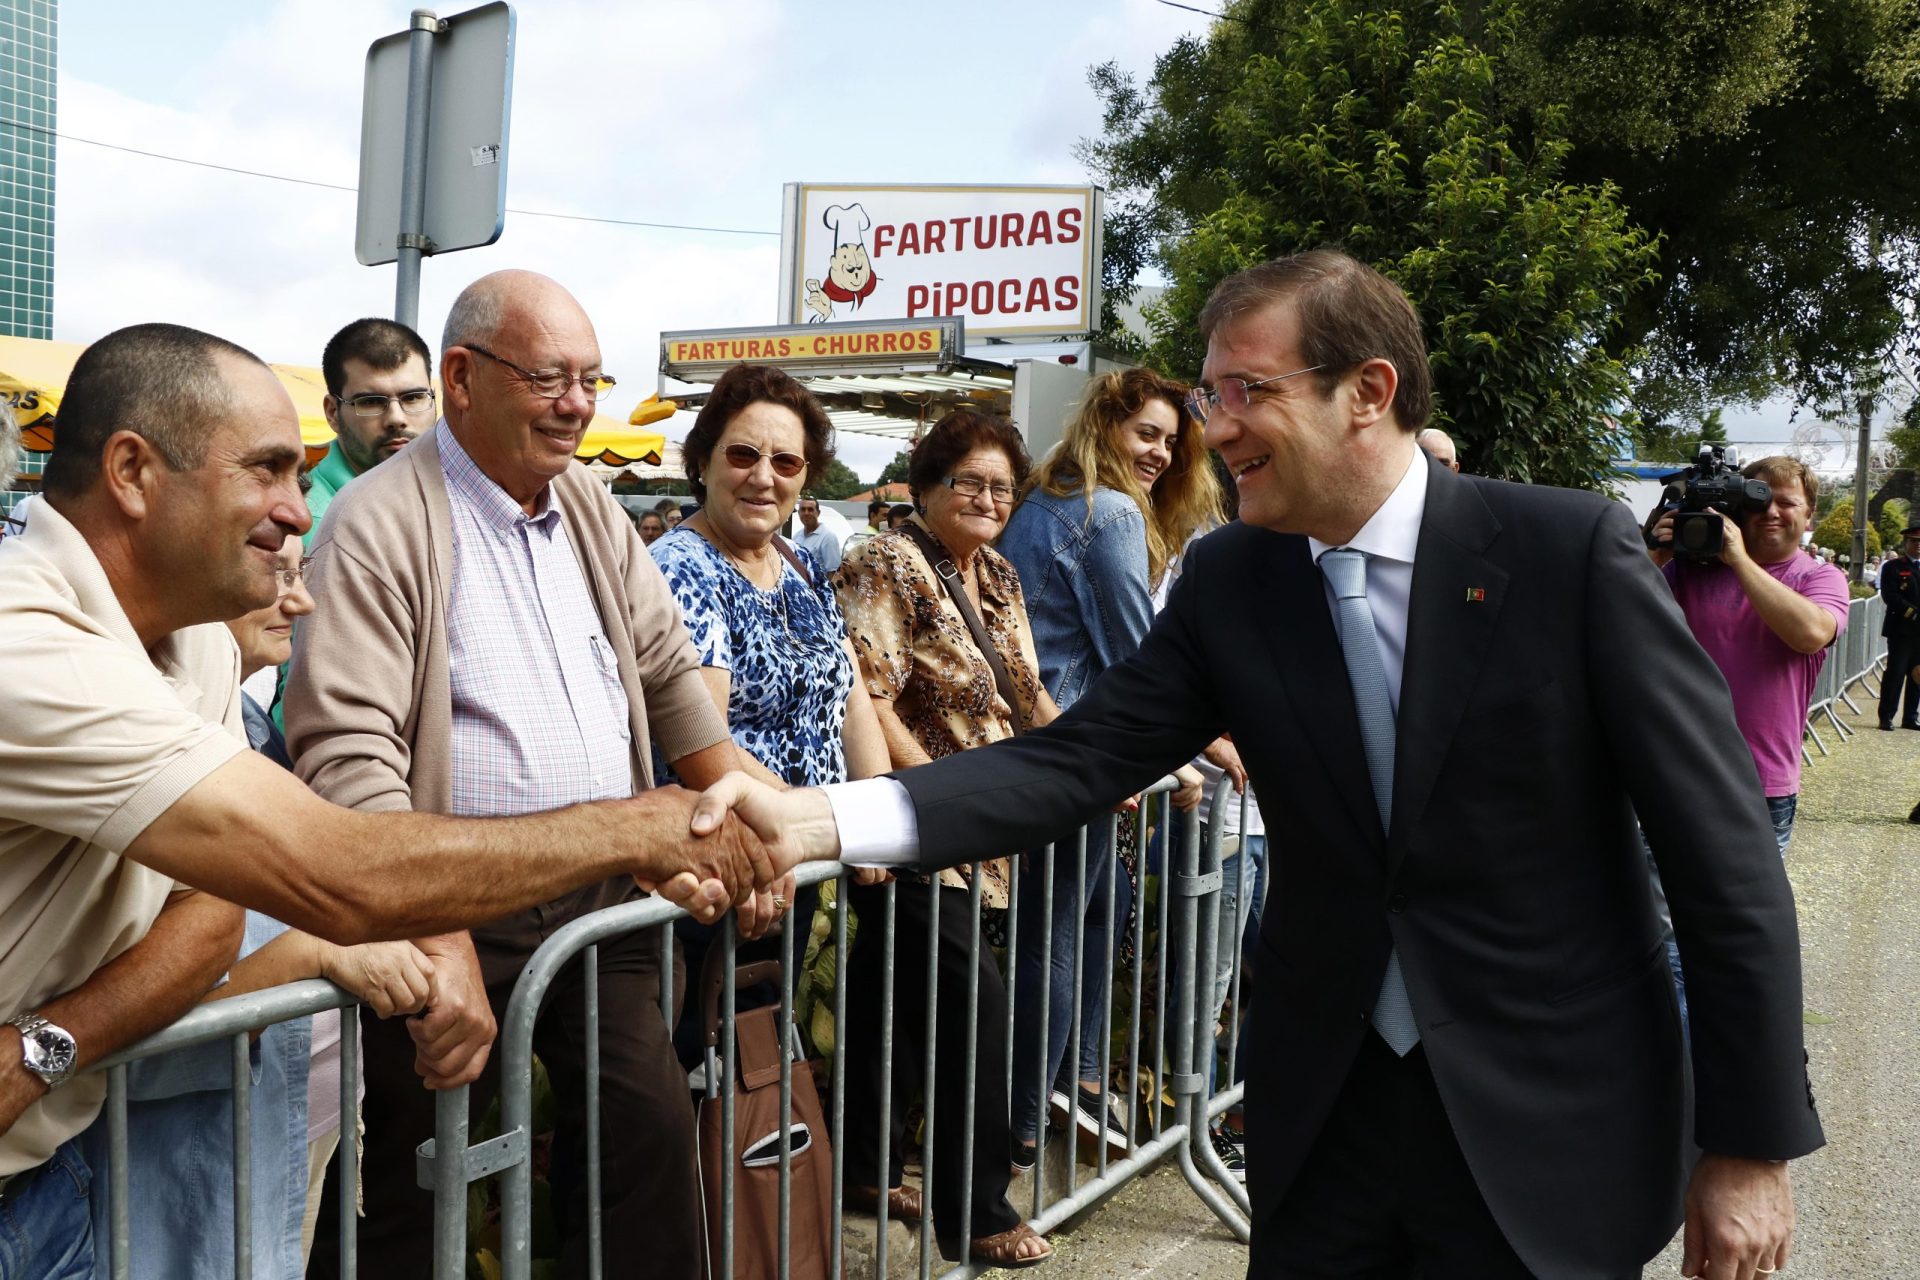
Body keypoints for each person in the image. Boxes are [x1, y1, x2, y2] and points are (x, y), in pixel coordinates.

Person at [699, 249, 1822, 1280]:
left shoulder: (1561, 550)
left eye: (1248, 391)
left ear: (1368, 392)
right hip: (1325, 1121)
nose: (1215, 425)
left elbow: (1724, 856)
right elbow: (1074, 759)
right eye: (1207, 394)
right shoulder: (1237, 577)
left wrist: (1752, 1141)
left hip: (1546, 1125)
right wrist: (816, 820)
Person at [0, 323, 765, 1280]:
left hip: (46, 1185)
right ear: (132, 470)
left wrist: (44, 1047)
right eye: (270, 471)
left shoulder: (186, 638)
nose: (296, 512)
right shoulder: (29, 646)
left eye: (300, 472)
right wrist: (630, 828)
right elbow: (338, 868)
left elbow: (209, 915)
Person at [288, 270, 761, 1280]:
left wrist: (748, 807)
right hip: (448, 910)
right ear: (460, 377)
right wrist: (434, 920)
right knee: (418, 1180)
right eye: (551, 377)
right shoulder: (374, 522)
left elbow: (669, 672)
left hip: (598, 903)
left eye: (591, 378)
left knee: (648, 1141)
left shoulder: (587, 500)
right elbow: (345, 754)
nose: (579, 404)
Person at [80, 533, 436, 1279]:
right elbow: (108, 1034)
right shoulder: (122, 747)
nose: (300, 601)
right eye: (274, 574)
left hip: (281, 1130)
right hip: (186, 1168)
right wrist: (313, 952)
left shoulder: (250, 724)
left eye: (298, 574)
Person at [832, 407, 1061, 1268]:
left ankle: (862, 1163)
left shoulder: (997, 574)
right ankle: (976, 1209)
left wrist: (1094, 764)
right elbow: (871, 698)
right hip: (916, 819)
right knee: (976, 1003)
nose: (988, 497)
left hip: (980, 827)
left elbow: (1024, 692)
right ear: (927, 484)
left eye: (1003, 486)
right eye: (968, 480)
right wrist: (939, 802)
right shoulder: (883, 559)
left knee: (892, 992)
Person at [995, 366, 1220, 1163]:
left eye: (1169, 438)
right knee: (1052, 936)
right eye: (1145, 433)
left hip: (1037, 742)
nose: (1159, 452)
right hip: (1072, 749)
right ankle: (1023, 1126)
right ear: (1106, 427)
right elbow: (1137, 651)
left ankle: (1077, 1082)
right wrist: (1187, 756)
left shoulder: (1044, 497)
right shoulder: (1112, 510)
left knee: (1097, 908)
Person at [647, 363, 888, 1051]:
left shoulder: (796, 564)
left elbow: (848, 692)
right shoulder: (682, 567)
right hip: (723, 861)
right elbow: (704, 742)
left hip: (797, 848)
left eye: (785, 461)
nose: (764, 476)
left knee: (755, 1067)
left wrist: (869, 807)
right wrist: (821, 819)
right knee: (706, 1064)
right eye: (743, 454)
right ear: (702, 462)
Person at [1648, 454, 1849, 855]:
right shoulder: (1689, 570)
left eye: (1787, 503)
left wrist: (1738, 559)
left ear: (1809, 516)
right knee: (1651, 913)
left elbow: (1811, 634)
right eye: (1759, 500)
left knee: (1743, 918)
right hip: (1676, 773)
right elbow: (1620, 620)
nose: (1772, 512)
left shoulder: (1820, 577)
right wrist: (1653, 555)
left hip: (1761, 785)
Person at [304, 318, 435, 545]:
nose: (396, 418)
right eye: (371, 401)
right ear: (333, 412)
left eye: (413, 397)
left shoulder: (451, 498)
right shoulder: (309, 525)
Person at [1879, 525, 1920, 729]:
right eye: (1914, 542)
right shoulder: (1893, 567)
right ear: (1906, 544)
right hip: (1901, 630)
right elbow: (1890, 596)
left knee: (1918, 674)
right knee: (1895, 674)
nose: (1918, 546)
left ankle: (1911, 716)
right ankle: (1886, 715)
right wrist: (1914, 613)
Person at [793, 493, 844, 572]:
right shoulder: (796, 537)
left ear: (818, 513)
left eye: (810, 509)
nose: (806, 513)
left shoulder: (828, 537)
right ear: (799, 513)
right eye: (803, 509)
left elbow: (833, 572)